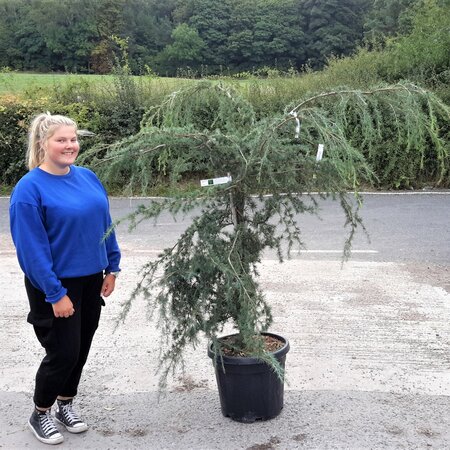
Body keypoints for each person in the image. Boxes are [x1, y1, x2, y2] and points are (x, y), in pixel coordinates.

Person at [9, 113, 121, 445]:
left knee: (81, 347)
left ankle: (65, 404)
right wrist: (55, 293)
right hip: (55, 285)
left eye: (73, 139)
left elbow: (105, 224)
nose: (70, 145)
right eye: (61, 140)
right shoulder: (29, 190)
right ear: (43, 144)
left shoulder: (87, 177)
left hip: (91, 280)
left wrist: (112, 267)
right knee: (63, 352)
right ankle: (40, 413)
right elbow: (31, 251)